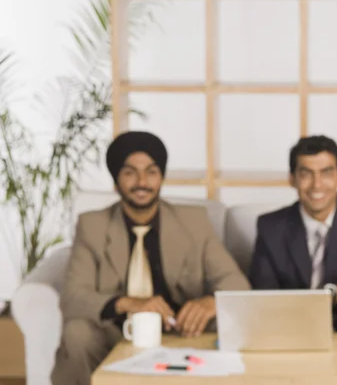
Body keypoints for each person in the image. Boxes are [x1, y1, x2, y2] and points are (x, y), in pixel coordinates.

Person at [52, 131, 250, 385]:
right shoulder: (93, 225)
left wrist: (210, 303)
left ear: (162, 177)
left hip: (183, 332)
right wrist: (128, 303)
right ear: (116, 180)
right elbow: (72, 298)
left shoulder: (194, 222)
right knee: (76, 333)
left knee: (228, 324)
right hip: (118, 334)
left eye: (151, 172)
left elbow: (237, 285)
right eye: (130, 172)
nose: (142, 181)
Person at [250, 135, 337, 331]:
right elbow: (263, 294)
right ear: (292, 179)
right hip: (291, 329)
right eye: (306, 174)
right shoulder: (270, 226)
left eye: (326, 173)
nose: (317, 185)